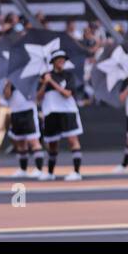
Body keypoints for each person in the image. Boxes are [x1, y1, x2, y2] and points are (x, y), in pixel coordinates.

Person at [38, 50, 84, 181]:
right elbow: (38, 97)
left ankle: (76, 172)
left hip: (67, 111)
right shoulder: (45, 77)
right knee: (52, 144)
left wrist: (51, 82)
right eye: (59, 59)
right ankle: (50, 173)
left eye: (63, 59)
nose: (61, 61)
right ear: (53, 62)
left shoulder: (69, 75)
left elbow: (67, 94)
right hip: (51, 112)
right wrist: (45, 83)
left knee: (72, 140)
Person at [3, 79, 44, 178]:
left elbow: (36, 96)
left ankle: (39, 169)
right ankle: (23, 169)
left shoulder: (30, 79)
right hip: (15, 113)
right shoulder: (11, 81)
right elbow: (6, 96)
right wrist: (8, 83)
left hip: (28, 112)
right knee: (20, 142)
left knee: (33, 141)